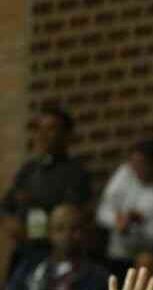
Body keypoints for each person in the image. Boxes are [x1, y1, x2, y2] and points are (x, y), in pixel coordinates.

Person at [0, 105, 92, 257]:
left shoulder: (75, 173)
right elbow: (6, 204)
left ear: (66, 135)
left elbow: (70, 216)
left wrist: (34, 208)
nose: (42, 135)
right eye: (39, 129)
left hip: (55, 253)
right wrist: (9, 221)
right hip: (23, 251)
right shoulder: (29, 169)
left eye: (50, 129)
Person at [95, 139, 153, 266]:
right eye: (133, 163)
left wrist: (135, 226)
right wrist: (118, 220)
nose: (134, 168)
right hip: (114, 255)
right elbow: (103, 212)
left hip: (149, 262)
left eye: (141, 163)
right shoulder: (125, 173)